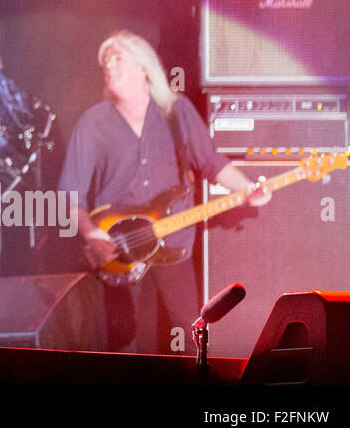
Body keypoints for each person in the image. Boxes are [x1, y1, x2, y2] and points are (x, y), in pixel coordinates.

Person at [58, 31, 270, 353]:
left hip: (173, 244)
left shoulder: (177, 112)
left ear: (143, 68)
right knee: (124, 344)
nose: (109, 66)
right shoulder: (94, 122)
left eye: (118, 58)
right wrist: (90, 234)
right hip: (119, 250)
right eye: (105, 62)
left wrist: (249, 189)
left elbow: (211, 163)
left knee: (190, 335)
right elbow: (70, 193)